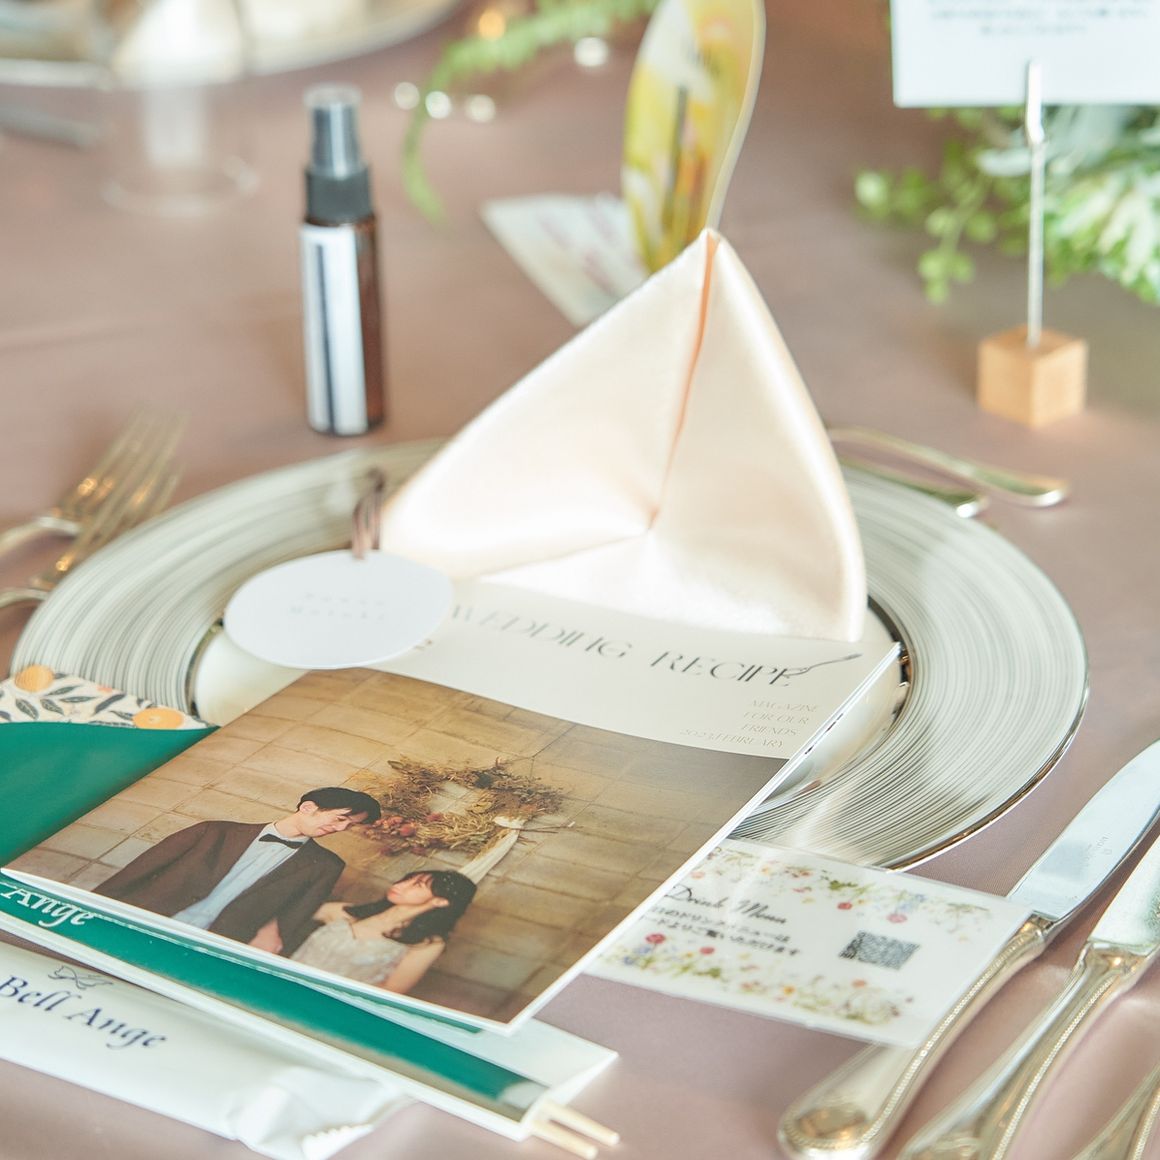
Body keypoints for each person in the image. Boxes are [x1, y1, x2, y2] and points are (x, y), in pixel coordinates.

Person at [94, 786, 382, 955]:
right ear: (307, 807)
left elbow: (292, 919)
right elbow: (135, 874)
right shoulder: (213, 831)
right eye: (341, 819)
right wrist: (88, 911)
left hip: (214, 946)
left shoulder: (327, 866)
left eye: (350, 826)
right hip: (140, 920)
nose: (341, 828)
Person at [291, 869, 476, 995]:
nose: (400, 885)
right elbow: (287, 912)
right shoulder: (347, 912)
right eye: (407, 879)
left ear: (440, 901)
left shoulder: (426, 943)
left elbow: (392, 990)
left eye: (417, 885)